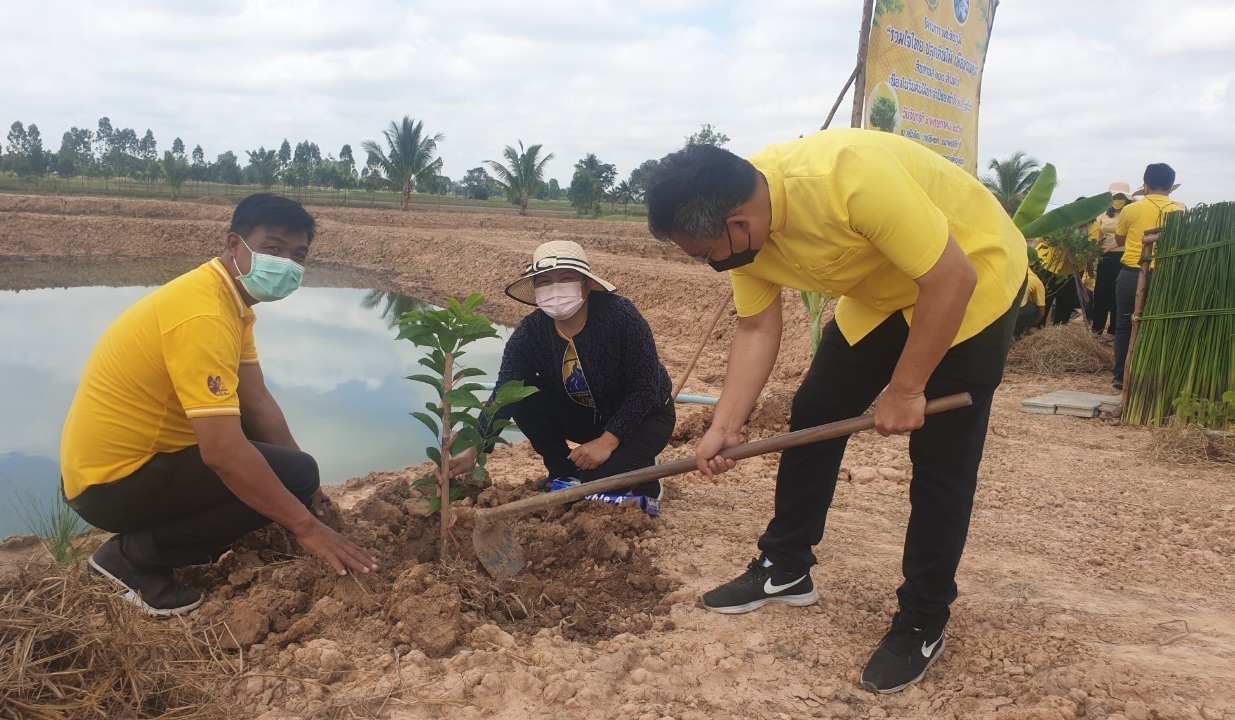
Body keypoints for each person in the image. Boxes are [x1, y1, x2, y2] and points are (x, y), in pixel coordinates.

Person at [643, 129, 1027, 694]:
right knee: (815, 415)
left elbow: (951, 278)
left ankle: (923, 618)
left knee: (942, 459)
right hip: (882, 295)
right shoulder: (742, 237)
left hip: (969, 280)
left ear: (739, 223)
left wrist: (905, 388)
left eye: (705, 256)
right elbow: (755, 327)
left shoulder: (851, 177)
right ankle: (786, 564)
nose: (708, 265)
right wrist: (725, 426)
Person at [61, 193, 378, 617]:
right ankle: (133, 558)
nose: (286, 263)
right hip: (112, 485)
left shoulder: (230, 303)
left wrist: (307, 489)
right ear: (235, 245)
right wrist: (306, 527)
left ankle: (164, 538)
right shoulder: (204, 314)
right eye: (273, 249)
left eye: (298, 255)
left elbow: (257, 400)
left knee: (292, 468)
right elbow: (222, 453)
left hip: (125, 468)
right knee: (281, 469)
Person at [445, 240, 675, 512]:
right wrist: (476, 446)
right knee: (523, 393)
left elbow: (646, 388)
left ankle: (645, 473)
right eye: (545, 282)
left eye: (566, 278)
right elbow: (506, 390)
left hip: (644, 418)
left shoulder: (621, 317)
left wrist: (607, 441)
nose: (555, 289)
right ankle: (561, 470)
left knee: (593, 484)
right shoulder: (531, 332)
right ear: (535, 289)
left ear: (586, 284)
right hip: (587, 415)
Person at [1111, 164, 1184, 390]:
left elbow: (1120, 240)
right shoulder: (1180, 211)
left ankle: (1121, 377)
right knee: (1157, 325)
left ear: (1144, 184)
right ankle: (1151, 374)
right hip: (1165, 276)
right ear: (1172, 186)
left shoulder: (1131, 210)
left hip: (1132, 274)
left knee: (1124, 324)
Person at [1089, 183, 1134, 341]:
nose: (1117, 199)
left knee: (1116, 295)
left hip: (1122, 257)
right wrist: (1095, 251)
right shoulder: (1104, 214)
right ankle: (1096, 328)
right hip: (1105, 257)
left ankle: (1112, 331)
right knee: (1100, 292)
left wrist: (1112, 245)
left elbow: (1130, 235)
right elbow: (1100, 235)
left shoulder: (1130, 212)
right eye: (1114, 196)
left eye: (1120, 196)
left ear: (1126, 198)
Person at [1014, 266, 1046, 342]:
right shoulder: (1035, 281)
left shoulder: (1016, 270)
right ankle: (1016, 333)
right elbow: (1042, 311)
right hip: (1016, 312)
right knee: (1033, 309)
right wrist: (1032, 325)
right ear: (1035, 267)